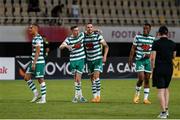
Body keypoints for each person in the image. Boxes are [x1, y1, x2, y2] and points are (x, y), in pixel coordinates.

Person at [151, 26, 176, 118]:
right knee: (166, 89)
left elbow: (153, 58)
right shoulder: (173, 44)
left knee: (160, 90)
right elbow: (173, 56)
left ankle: (163, 112)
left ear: (159, 33)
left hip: (159, 68)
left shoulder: (156, 43)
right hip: (169, 69)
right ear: (167, 33)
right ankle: (166, 110)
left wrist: (152, 68)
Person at [59, 26, 87, 103]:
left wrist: (97, 30)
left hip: (81, 59)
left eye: (77, 30)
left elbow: (89, 31)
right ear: (72, 31)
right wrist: (67, 46)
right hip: (73, 60)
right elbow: (60, 47)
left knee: (78, 78)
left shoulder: (81, 35)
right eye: (75, 30)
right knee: (76, 79)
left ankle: (76, 97)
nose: (77, 32)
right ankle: (80, 96)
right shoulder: (68, 39)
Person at [128, 23, 155, 104]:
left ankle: (145, 99)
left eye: (147, 29)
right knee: (141, 78)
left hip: (147, 61)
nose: (145, 30)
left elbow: (153, 50)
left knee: (147, 79)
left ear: (150, 29)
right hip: (139, 60)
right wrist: (130, 60)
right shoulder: (138, 37)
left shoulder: (152, 38)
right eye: (144, 28)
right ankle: (137, 94)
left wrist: (151, 56)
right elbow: (133, 49)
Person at [84, 23, 109, 103]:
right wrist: (96, 30)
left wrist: (104, 56)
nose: (90, 28)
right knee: (92, 79)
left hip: (98, 59)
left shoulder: (98, 36)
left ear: (93, 28)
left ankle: (98, 96)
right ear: (86, 28)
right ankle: (94, 97)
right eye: (88, 27)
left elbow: (106, 46)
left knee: (96, 76)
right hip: (89, 60)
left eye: (91, 27)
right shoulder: (84, 37)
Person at [24, 23, 46, 104]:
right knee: (26, 77)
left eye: (31, 28)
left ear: (36, 29)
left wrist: (34, 63)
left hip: (38, 62)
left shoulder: (38, 38)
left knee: (40, 79)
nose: (29, 29)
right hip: (33, 61)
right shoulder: (34, 38)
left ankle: (43, 99)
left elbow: (38, 51)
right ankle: (36, 94)